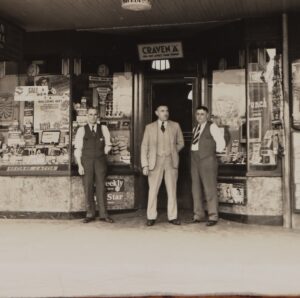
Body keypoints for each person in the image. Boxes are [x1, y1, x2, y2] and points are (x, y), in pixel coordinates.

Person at [141, 105, 184, 226]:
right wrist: (145, 165)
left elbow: (181, 143)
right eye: (162, 111)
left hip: (171, 161)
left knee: (172, 190)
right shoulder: (149, 128)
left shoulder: (175, 126)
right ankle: (151, 216)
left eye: (167, 110)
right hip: (155, 162)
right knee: (153, 190)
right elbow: (144, 147)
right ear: (156, 113)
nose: (165, 113)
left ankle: (172, 216)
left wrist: (173, 151)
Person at [74, 107, 113, 223]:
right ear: (87, 116)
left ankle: (103, 214)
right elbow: (77, 149)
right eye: (90, 114)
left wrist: (103, 153)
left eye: (95, 114)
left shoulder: (103, 128)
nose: (93, 117)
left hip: (100, 161)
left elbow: (109, 144)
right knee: (88, 187)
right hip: (86, 161)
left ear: (98, 116)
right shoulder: (81, 130)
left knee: (101, 187)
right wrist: (80, 165)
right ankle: (90, 214)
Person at [189, 106, 225, 226]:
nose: (199, 116)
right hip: (195, 160)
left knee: (210, 188)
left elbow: (221, 142)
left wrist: (214, 155)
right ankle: (198, 215)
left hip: (207, 159)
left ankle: (213, 216)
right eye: (198, 114)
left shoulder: (212, 126)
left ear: (207, 115)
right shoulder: (195, 128)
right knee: (196, 188)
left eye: (202, 114)